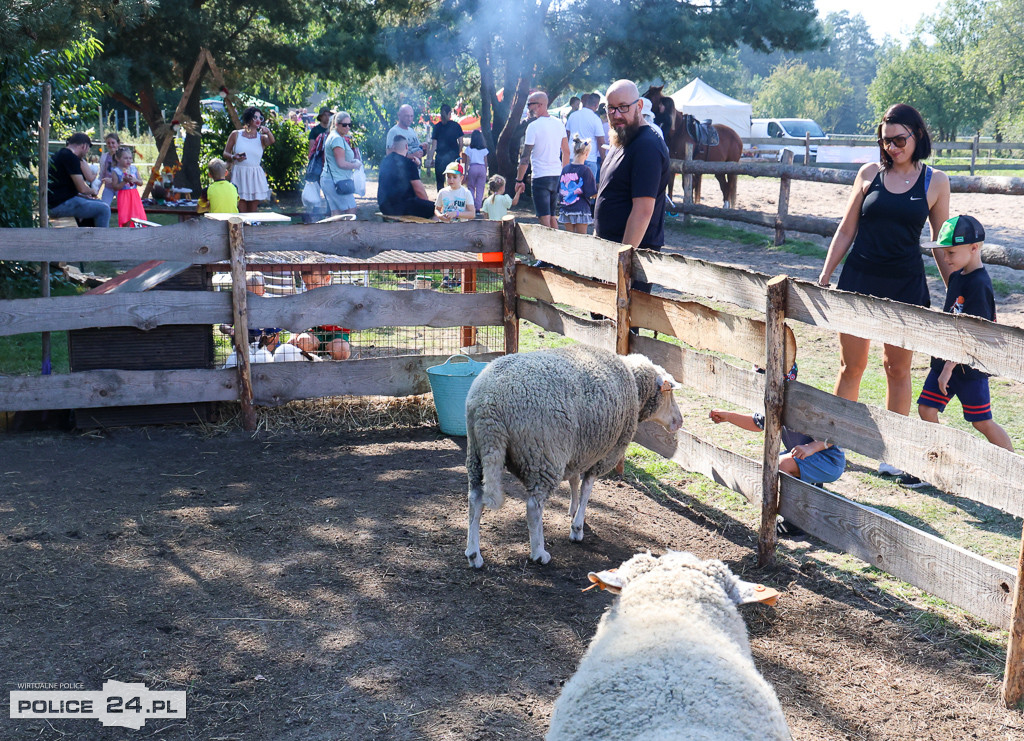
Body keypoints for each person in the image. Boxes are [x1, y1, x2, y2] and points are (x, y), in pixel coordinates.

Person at [817, 103, 950, 478]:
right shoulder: (868, 174)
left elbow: (940, 243)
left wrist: (955, 287)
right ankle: (835, 441)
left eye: (899, 139)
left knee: (898, 368)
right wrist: (827, 273)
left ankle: (894, 453)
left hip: (906, 286)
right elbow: (846, 230)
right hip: (859, 280)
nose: (892, 147)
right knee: (852, 365)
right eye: (885, 140)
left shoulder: (935, 181)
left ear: (917, 135)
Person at [911, 215, 1014, 478]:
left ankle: (1013, 469)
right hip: (945, 360)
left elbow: (971, 332)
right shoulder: (957, 276)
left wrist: (948, 368)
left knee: (981, 421)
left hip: (968, 368)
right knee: (926, 409)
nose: (946, 259)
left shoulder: (979, 284)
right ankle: (941, 463)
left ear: (974, 248)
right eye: (944, 253)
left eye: (951, 252)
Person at [711, 364, 846, 535]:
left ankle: (797, 520)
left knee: (779, 465)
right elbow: (757, 422)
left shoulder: (803, 404)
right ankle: (810, 489)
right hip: (807, 456)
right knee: (771, 463)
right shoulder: (773, 403)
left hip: (829, 461)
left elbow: (834, 432)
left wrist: (812, 446)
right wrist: (728, 416)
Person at [593, 80, 671, 263]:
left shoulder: (647, 146)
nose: (616, 114)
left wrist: (623, 262)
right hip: (608, 250)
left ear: (639, 106)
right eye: (611, 108)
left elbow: (643, 211)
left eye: (623, 107)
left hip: (632, 256)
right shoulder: (621, 139)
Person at [514, 91, 570, 229]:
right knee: (552, 216)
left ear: (539, 105)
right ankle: (556, 246)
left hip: (540, 176)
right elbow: (566, 152)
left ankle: (550, 247)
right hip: (556, 175)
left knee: (543, 218)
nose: (528, 108)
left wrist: (519, 180)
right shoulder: (559, 124)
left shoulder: (533, 126)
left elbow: (525, 157)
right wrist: (564, 174)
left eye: (529, 105)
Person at [48, 132, 111, 228]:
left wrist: (84, 196)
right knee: (104, 209)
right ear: (84, 146)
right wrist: (93, 191)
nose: (86, 153)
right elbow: (82, 188)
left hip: (56, 202)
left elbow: (66, 187)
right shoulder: (71, 157)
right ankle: (102, 241)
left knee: (99, 204)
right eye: (87, 150)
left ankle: (88, 239)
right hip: (59, 205)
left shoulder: (60, 154)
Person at [224, 106, 275, 213]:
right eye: (255, 117)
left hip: (254, 175)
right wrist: (234, 157)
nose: (258, 120)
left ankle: (252, 229)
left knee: (253, 212)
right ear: (248, 118)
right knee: (241, 209)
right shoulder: (236, 134)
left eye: (260, 118)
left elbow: (271, 141)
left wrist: (268, 132)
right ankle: (241, 228)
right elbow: (225, 153)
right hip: (239, 173)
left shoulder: (261, 137)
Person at [377, 135, 435, 219]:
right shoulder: (409, 163)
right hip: (402, 207)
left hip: (384, 207)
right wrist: (426, 204)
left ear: (393, 147)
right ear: (406, 146)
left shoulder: (384, 161)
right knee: (436, 209)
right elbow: (419, 191)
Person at [320, 111, 361, 217]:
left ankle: (335, 233)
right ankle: (347, 233)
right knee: (351, 210)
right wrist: (356, 165)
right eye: (344, 125)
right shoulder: (337, 139)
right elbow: (341, 164)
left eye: (349, 125)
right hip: (336, 182)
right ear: (337, 124)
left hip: (331, 180)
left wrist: (351, 162)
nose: (347, 127)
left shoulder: (336, 136)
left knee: (336, 213)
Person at [558, 135, 597, 234]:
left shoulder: (565, 169)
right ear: (586, 153)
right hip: (581, 209)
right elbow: (591, 193)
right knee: (581, 238)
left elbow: (560, 188)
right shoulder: (586, 170)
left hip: (566, 208)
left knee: (569, 237)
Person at [565, 92, 605, 181]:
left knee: (572, 188)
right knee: (588, 191)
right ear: (596, 105)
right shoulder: (596, 119)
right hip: (589, 158)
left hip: (573, 157)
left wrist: (565, 154)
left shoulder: (573, 116)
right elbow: (601, 142)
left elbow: (566, 135)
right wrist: (603, 158)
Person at [426, 104, 465, 191]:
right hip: (453, 159)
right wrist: (458, 154)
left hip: (440, 159)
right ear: (450, 113)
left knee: (440, 184)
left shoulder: (437, 127)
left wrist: (430, 159)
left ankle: (441, 203)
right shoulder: (456, 126)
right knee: (454, 183)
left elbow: (434, 146)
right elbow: (461, 142)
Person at [110, 147, 147, 227]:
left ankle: (139, 230)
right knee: (126, 216)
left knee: (137, 215)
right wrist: (124, 182)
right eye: (125, 158)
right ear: (118, 159)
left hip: (134, 195)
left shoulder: (134, 169)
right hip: (124, 196)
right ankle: (126, 231)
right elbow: (115, 187)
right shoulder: (116, 171)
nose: (128, 160)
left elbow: (141, 183)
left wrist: (135, 180)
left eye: (130, 158)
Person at [462, 130, 489, 211]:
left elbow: (467, 162)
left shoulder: (469, 149)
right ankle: (478, 207)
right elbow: (486, 162)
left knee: (471, 187)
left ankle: (472, 205)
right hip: (482, 168)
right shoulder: (484, 149)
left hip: (473, 167)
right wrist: (486, 172)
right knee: (480, 188)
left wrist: (465, 173)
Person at [97, 132, 120, 206]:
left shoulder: (123, 156)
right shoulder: (104, 157)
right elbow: (101, 174)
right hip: (108, 188)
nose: (111, 145)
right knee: (104, 207)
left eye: (113, 143)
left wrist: (114, 180)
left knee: (124, 208)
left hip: (120, 187)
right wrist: (96, 190)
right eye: (108, 143)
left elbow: (126, 173)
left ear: (118, 144)